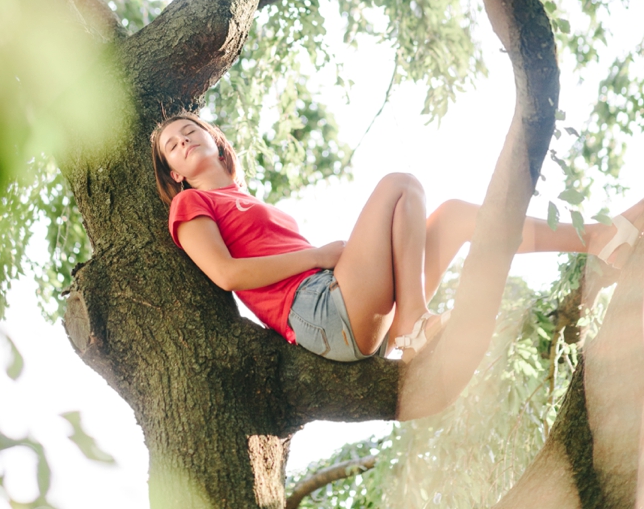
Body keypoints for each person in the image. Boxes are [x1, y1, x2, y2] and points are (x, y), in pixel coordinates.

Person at [153, 113, 643, 363]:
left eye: (189, 129)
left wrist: (324, 259)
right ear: (174, 173)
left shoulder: (248, 200)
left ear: (215, 138)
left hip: (343, 298)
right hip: (316, 311)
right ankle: (413, 321)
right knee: (399, 184)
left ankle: (597, 237)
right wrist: (319, 254)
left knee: (451, 216)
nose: (183, 141)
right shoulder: (191, 204)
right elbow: (225, 274)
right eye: (172, 147)